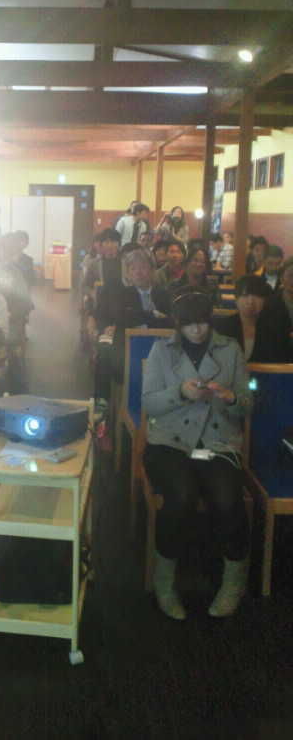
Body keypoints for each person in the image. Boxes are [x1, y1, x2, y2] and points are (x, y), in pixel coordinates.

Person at [142, 290, 251, 620]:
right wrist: (180, 392)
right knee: (181, 496)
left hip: (216, 444)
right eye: (189, 324)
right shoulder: (162, 350)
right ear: (178, 325)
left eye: (203, 322)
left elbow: (247, 404)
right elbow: (149, 404)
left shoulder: (230, 350)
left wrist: (231, 398)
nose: (197, 330)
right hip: (170, 443)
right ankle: (164, 582)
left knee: (228, 499)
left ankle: (234, 581)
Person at [94, 248, 171, 402]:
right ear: (128, 274)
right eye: (133, 269)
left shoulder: (164, 294)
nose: (138, 272)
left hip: (161, 348)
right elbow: (123, 318)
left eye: (143, 267)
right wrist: (153, 315)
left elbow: (171, 321)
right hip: (129, 348)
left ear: (152, 270)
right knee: (105, 353)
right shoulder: (122, 294)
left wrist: (140, 318)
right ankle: (103, 403)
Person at [213, 274, 291, 363]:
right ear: (236, 299)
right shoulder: (222, 326)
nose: (250, 302)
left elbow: (282, 362)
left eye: (257, 296)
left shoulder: (276, 328)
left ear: (264, 300)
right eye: (245, 295)